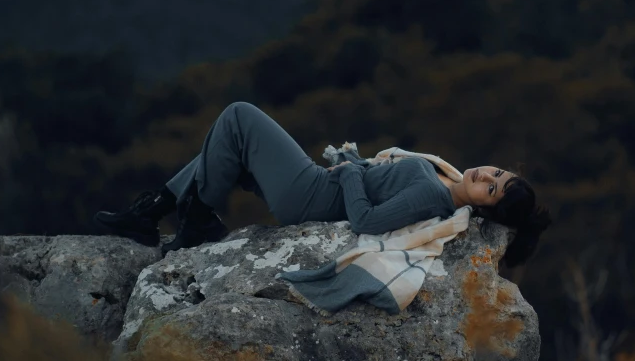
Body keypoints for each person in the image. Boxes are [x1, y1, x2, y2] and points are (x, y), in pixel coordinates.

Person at [94, 102, 551, 267]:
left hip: (311, 196)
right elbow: (375, 186)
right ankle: (152, 213)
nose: (486, 177)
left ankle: (191, 224)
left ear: (483, 208)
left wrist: (350, 171)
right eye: (498, 174)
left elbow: (366, 220)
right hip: (318, 188)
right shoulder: (444, 180)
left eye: (491, 189)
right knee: (225, 149)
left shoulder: (432, 195)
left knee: (238, 116)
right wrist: (355, 163)